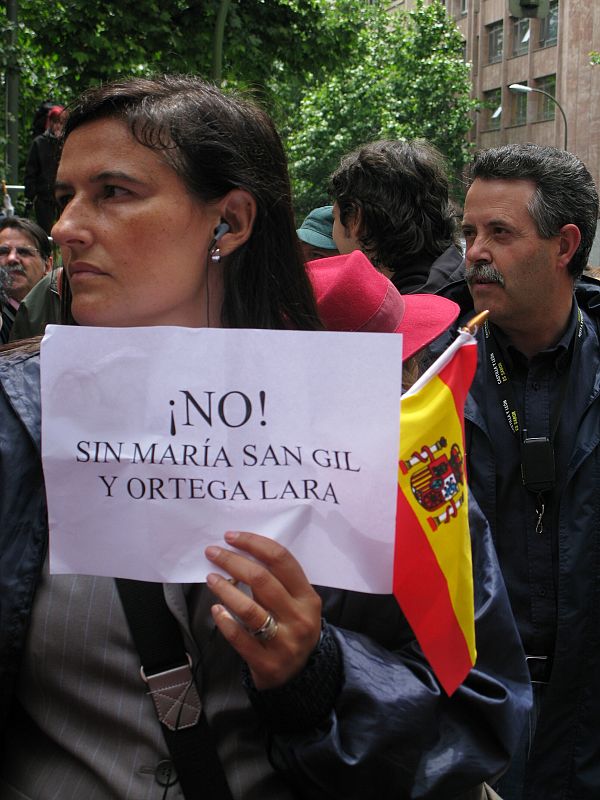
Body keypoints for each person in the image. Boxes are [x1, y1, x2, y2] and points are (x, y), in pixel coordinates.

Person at [0, 75, 530, 800]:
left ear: (230, 221)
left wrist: (318, 674)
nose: (65, 227)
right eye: (64, 197)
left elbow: (478, 711)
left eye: (113, 192)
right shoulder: (16, 419)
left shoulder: (374, 433)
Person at [433, 142, 600, 800]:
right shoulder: (423, 381)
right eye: (469, 232)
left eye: (499, 233)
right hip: (469, 721)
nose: (474, 253)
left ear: (565, 246)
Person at [329, 139, 463, 294]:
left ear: (355, 219)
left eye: (334, 218)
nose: (332, 234)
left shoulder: (404, 306)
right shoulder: (457, 281)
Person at [0, 217, 52, 343]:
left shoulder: (58, 313)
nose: (12, 258)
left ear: (47, 266)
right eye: (3, 252)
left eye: (24, 252)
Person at [24, 105, 65, 234]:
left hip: (64, 197)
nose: (58, 126)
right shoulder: (39, 143)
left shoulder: (67, 143)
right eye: (56, 122)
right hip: (44, 198)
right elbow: (31, 172)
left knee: (64, 233)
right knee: (45, 234)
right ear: (50, 122)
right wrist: (30, 196)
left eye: (61, 123)